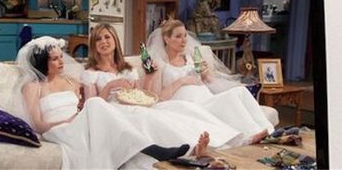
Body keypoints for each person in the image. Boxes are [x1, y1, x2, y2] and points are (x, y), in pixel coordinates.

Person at [17, 36, 209, 169]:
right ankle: (154, 150)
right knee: (96, 105)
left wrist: (80, 115)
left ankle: (164, 150)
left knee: (108, 110)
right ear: (42, 62)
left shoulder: (70, 81)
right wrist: (69, 121)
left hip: (81, 122)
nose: (61, 62)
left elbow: (83, 106)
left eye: (61, 57)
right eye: (54, 59)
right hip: (59, 131)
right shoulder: (34, 87)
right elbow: (37, 125)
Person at [82, 23, 239, 150]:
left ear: (115, 41)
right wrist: (110, 86)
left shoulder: (128, 69)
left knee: (166, 116)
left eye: (107, 37)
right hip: (112, 112)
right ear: (93, 46)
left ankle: (195, 146)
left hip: (134, 106)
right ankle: (169, 150)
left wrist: (149, 77)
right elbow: (92, 106)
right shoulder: (90, 73)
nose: (104, 42)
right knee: (147, 119)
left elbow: (141, 94)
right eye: (98, 39)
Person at [146, 19, 273, 146]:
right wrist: (182, 81)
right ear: (167, 39)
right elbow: (158, 97)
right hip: (188, 103)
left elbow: (208, 80)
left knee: (241, 91)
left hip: (205, 96)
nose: (184, 40)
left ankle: (269, 130)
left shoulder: (191, 57)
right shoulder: (159, 63)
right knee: (229, 99)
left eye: (185, 35)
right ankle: (249, 135)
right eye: (178, 36)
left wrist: (205, 74)